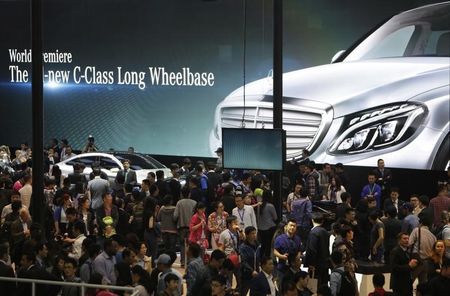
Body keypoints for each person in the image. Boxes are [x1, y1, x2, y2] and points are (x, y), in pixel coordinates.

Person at [304, 213, 330, 288]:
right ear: (322, 221)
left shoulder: (313, 233)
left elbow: (312, 250)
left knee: (314, 288)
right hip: (324, 263)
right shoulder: (325, 231)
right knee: (323, 286)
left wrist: (311, 264)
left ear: (312, 220)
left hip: (316, 266)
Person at [173, 190, 196, 268]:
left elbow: (175, 216)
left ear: (181, 194)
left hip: (182, 227)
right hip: (192, 228)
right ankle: (190, 261)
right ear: (189, 194)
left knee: (182, 245)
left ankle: (183, 261)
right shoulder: (194, 202)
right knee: (191, 245)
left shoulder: (179, 203)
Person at [239, 226, 261, 296]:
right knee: (243, 292)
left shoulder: (258, 245)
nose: (254, 235)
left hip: (256, 273)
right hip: (246, 275)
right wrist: (251, 271)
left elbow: (259, 258)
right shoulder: (243, 247)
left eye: (255, 233)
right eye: (252, 233)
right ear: (247, 235)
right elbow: (243, 261)